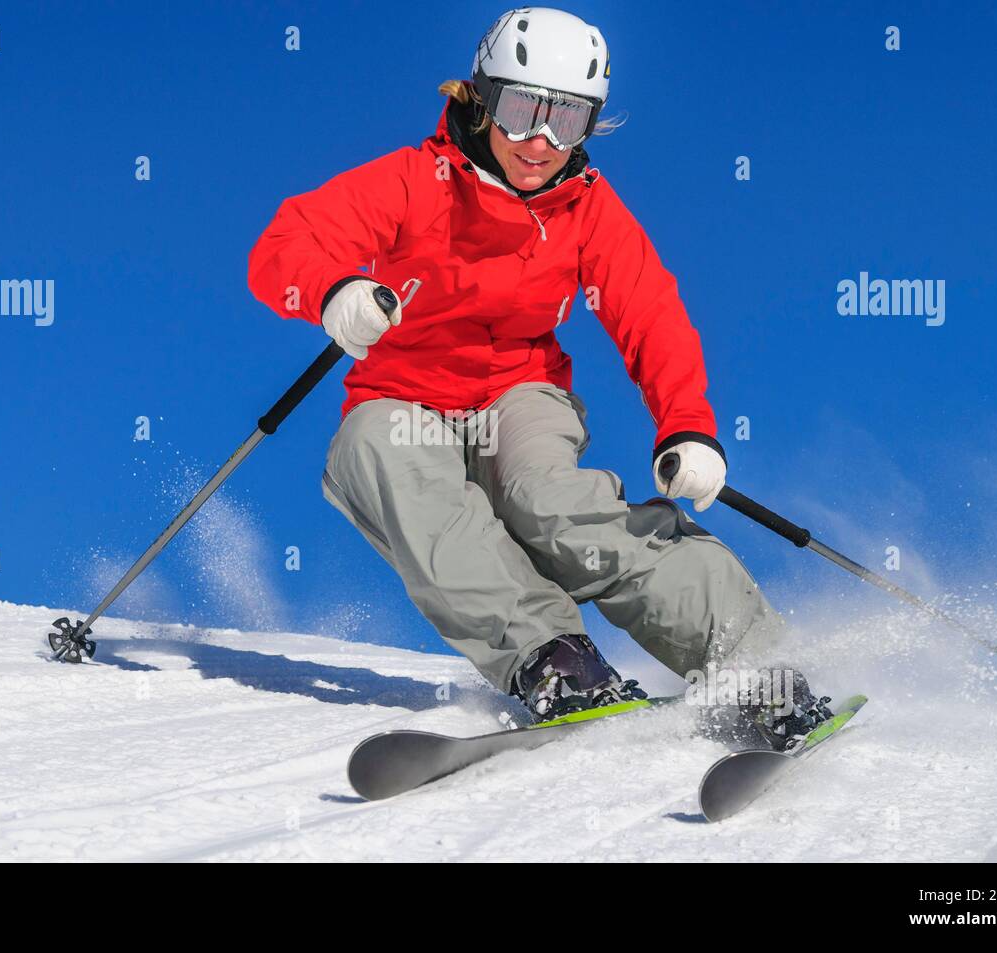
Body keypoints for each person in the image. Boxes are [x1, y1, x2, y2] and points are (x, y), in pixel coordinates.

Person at [249, 7, 825, 743]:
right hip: (403, 398)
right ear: (483, 98)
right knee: (379, 457)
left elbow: (648, 311)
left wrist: (689, 426)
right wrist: (334, 293)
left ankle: (754, 671)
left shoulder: (586, 211)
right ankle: (553, 660)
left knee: (545, 502)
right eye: (523, 111)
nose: (541, 143)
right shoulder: (414, 181)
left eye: (568, 120)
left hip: (520, 393)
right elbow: (286, 242)